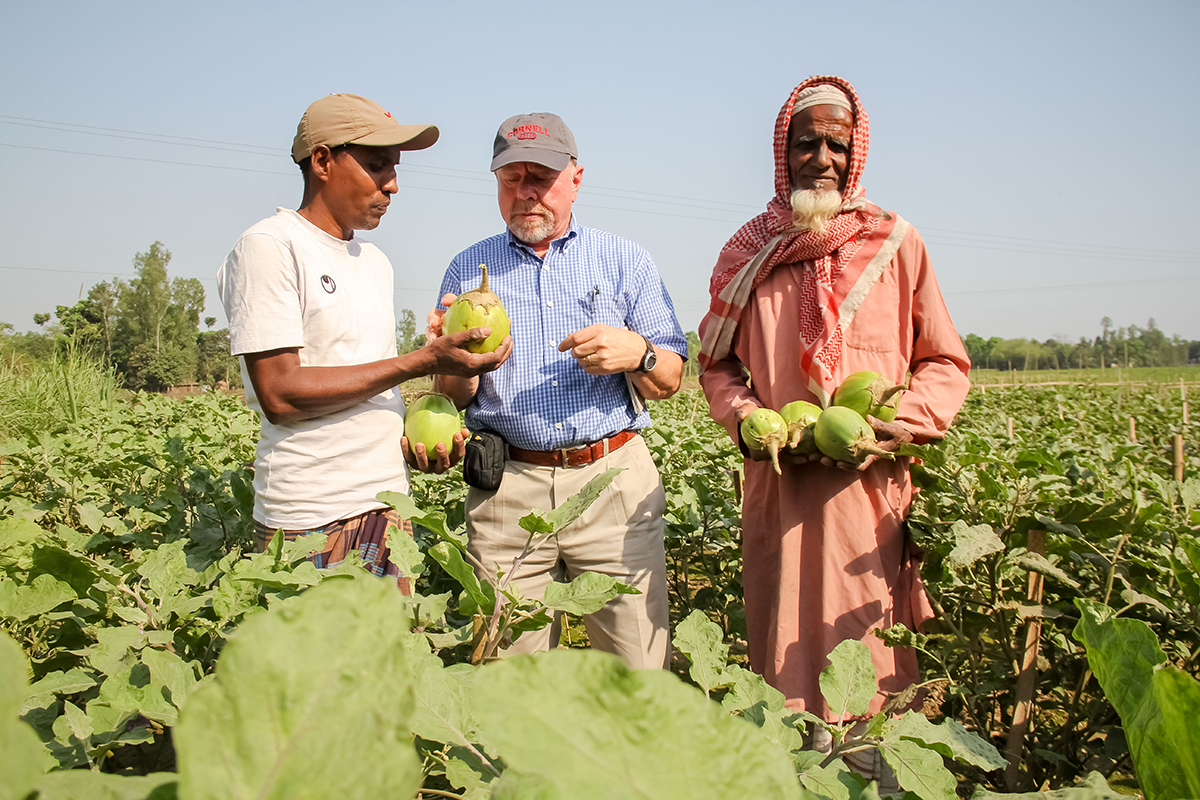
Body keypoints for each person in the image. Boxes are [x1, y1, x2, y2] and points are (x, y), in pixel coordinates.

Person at [698, 77, 971, 729]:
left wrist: (891, 428)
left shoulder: (897, 243)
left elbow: (945, 363)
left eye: (837, 145)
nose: (821, 158)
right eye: (805, 143)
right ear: (781, 151)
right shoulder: (746, 253)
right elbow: (716, 365)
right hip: (781, 490)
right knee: (784, 663)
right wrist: (746, 421)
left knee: (874, 668)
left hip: (871, 499)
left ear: (858, 154)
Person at [217, 93, 510, 590]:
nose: (392, 185)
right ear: (323, 161)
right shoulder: (269, 247)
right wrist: (420, 361)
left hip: (387, 509)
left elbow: (368, 383)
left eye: (394, 168)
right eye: (377, 166)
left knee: (393, 664)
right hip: (310, 519)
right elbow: (281, 395)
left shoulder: (375, 262)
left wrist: (423, 428)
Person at [426, 112, 688, 668]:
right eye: (511, 179)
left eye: (540, 178)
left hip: (611, 482)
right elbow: (451, 397)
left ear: (576, 178)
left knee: (636, 675)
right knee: (506, 680)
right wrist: (455, 358)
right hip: (507, 491)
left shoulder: (624, 261)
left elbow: (669, 378)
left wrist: (635, 352)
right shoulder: (468, 269)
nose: (526, 194)